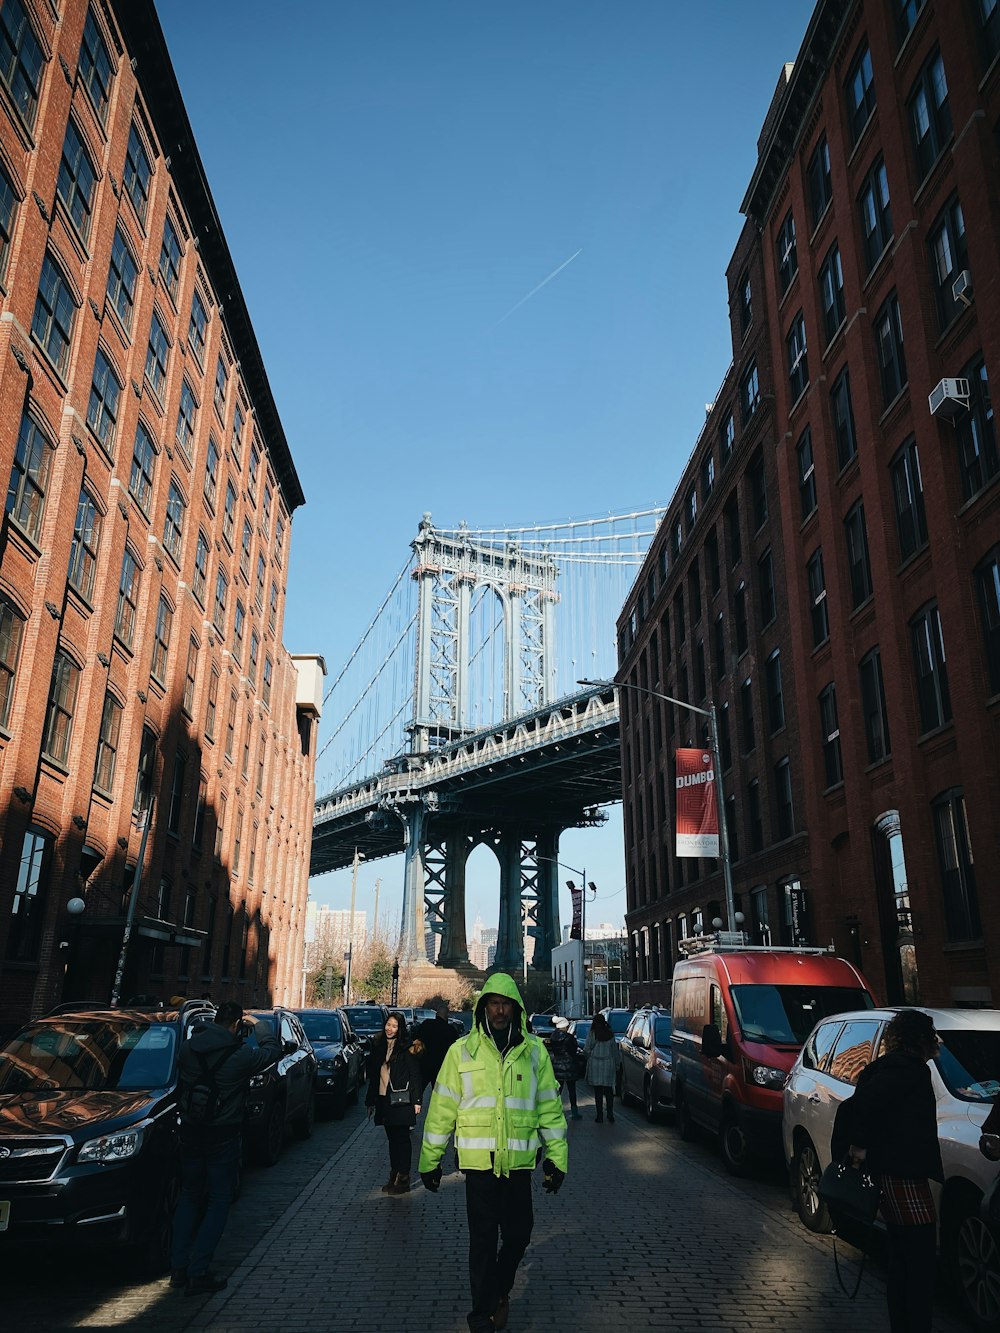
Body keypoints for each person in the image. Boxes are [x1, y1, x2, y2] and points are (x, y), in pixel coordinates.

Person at [419, 972, 568, 1333]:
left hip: (517, 1163)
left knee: (519, 1234)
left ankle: (500, 1290)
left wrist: (556, 1159)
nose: (499, 1011)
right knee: (482, 1241)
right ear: (483, 1008)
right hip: (479, 1164)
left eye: (505, 1005)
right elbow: (441, 1109)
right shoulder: (461, 1052)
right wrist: (430, 1160)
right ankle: (481, 1315)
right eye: (493, 1004)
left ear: (515, 1009)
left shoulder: (535, 1053)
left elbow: (549, 1107)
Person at [840, 1008, 943, 1333]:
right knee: (919, 1256)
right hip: (903, 1173)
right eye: (932, 1036)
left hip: (892, 1171)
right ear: (921, 1040)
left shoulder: (893, 1067)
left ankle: (904, 1323)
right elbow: (868, 1105)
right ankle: (915, 1325)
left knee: (902, 1255)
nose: (936, 1042)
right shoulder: (907, 1071)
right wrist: (860, 1145)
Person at [171, 1001, 281, 1296]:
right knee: (219, 1199)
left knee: (189, 1196)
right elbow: (272, 1053)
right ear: (236, 1025)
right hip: (223, 1133)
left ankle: (178, 1267)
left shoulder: (187, 1049)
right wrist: (259, 1025)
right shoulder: (240, 1054)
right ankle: (199, 1270)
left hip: (190, 1131)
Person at [365, 1011, 424, 1194]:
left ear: (400, 1029)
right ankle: (394, 1174)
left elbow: (415, 1075)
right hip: (384, 1100)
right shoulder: (379, 1046)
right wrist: (370, 1101)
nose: (390, 1029)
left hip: (401, 1100)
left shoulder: (406, 1048)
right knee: (392, 1140)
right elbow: (374, 1077)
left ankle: (403, 1177)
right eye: (388, 1025)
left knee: (402, 1139)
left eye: (394, 1026)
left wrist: (417, 1101)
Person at [414, 999, 458, 1093]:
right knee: (439, 1093)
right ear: (446, 1015)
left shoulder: (426, 1024)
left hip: (424, 1063)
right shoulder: (450, 1030)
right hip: (441, 1066)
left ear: (436, 1014)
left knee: (418, 1090)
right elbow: (456, 1048)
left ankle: (414, 1106)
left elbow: (416, 1039)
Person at [584, 1011, 622, 1123]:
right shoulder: (610, 1034)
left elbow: (586, 1049)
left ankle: (599, 1116)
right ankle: (610, 1114)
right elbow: (614, 1051)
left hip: (595, 1064)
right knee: (609, 1091)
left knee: (598, 1092)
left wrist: (589, 1058)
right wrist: (616, 1064)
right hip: (608, 1064)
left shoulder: (592, 1033)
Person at [548, 1017, 582, 1120]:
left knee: (558, 1090)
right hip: (569, 1066)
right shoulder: (569, 1038)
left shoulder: (553, 1037)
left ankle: (554, 1111)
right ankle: (574, 1112)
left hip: (557, 1065)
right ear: (565, 1026)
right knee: (572, 1090)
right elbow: (573, 1050)